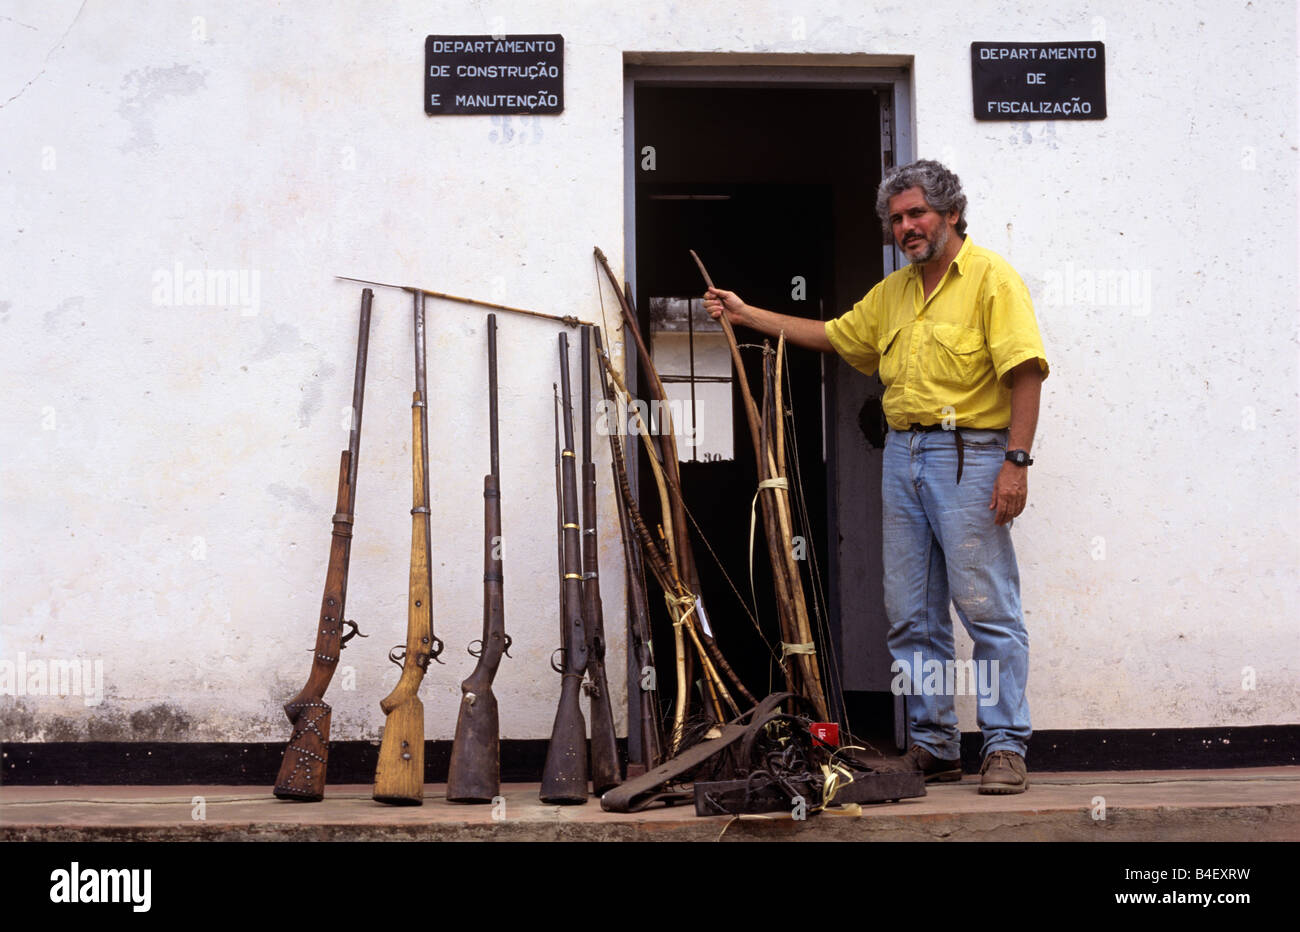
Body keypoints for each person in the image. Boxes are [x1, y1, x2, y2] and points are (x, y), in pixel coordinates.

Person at [703, 159, 1048, 794]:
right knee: (910, 614)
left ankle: (1003, 745)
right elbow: (834, 336)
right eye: (896, 219)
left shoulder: (992, 278)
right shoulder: (893, 292)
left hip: (971, 454)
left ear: (950, 213)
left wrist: (1016, 462)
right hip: (903, 455)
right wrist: (746, 313)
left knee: (986, 609)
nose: (907, 227)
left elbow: (1026, 372)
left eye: (917, 213)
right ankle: (935, 743)